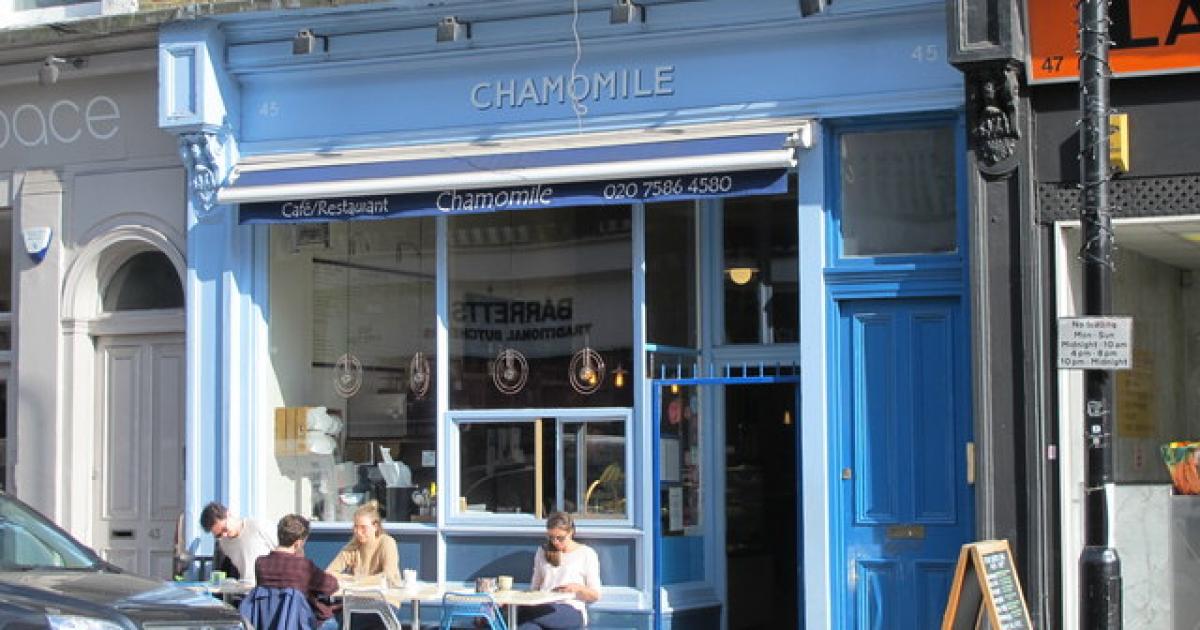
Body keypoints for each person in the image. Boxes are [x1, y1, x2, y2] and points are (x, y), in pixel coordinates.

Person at [254, 514, 340, 630]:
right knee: (332, 622)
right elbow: (331, 586)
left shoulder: (260, 563)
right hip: (300, 623)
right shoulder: (303, 566)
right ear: (298, 543)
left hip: (268, 623)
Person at [519, 512, 601, 630]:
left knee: (522, 612)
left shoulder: (587, 554)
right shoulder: (542, 551)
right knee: (527, 626)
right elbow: (534, 588)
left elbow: (595, 595)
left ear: (571, 532)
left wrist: (577, 588)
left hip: (570, 608)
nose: (555, 542)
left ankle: (503, 615)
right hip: (543, 604)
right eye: (551, 537)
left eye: (560, 538)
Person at [326, 500, 402, 586]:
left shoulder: (387, 543)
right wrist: (351, 579)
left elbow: (388, 575)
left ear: (375, 526)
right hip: (358, 592)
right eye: (356, 527)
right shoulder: (353, 545)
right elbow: (329, 573)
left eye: (363, 528)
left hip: (387, 593)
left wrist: (358, 581)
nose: (358, 532)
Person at [200, 501, 277, 585]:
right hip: (245, 587)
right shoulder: (223, 543)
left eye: (224, 529)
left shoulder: (259, 526)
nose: (224, 535)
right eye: (218, 535)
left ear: (228, 514)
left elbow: (284, 551)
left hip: (269, 586)